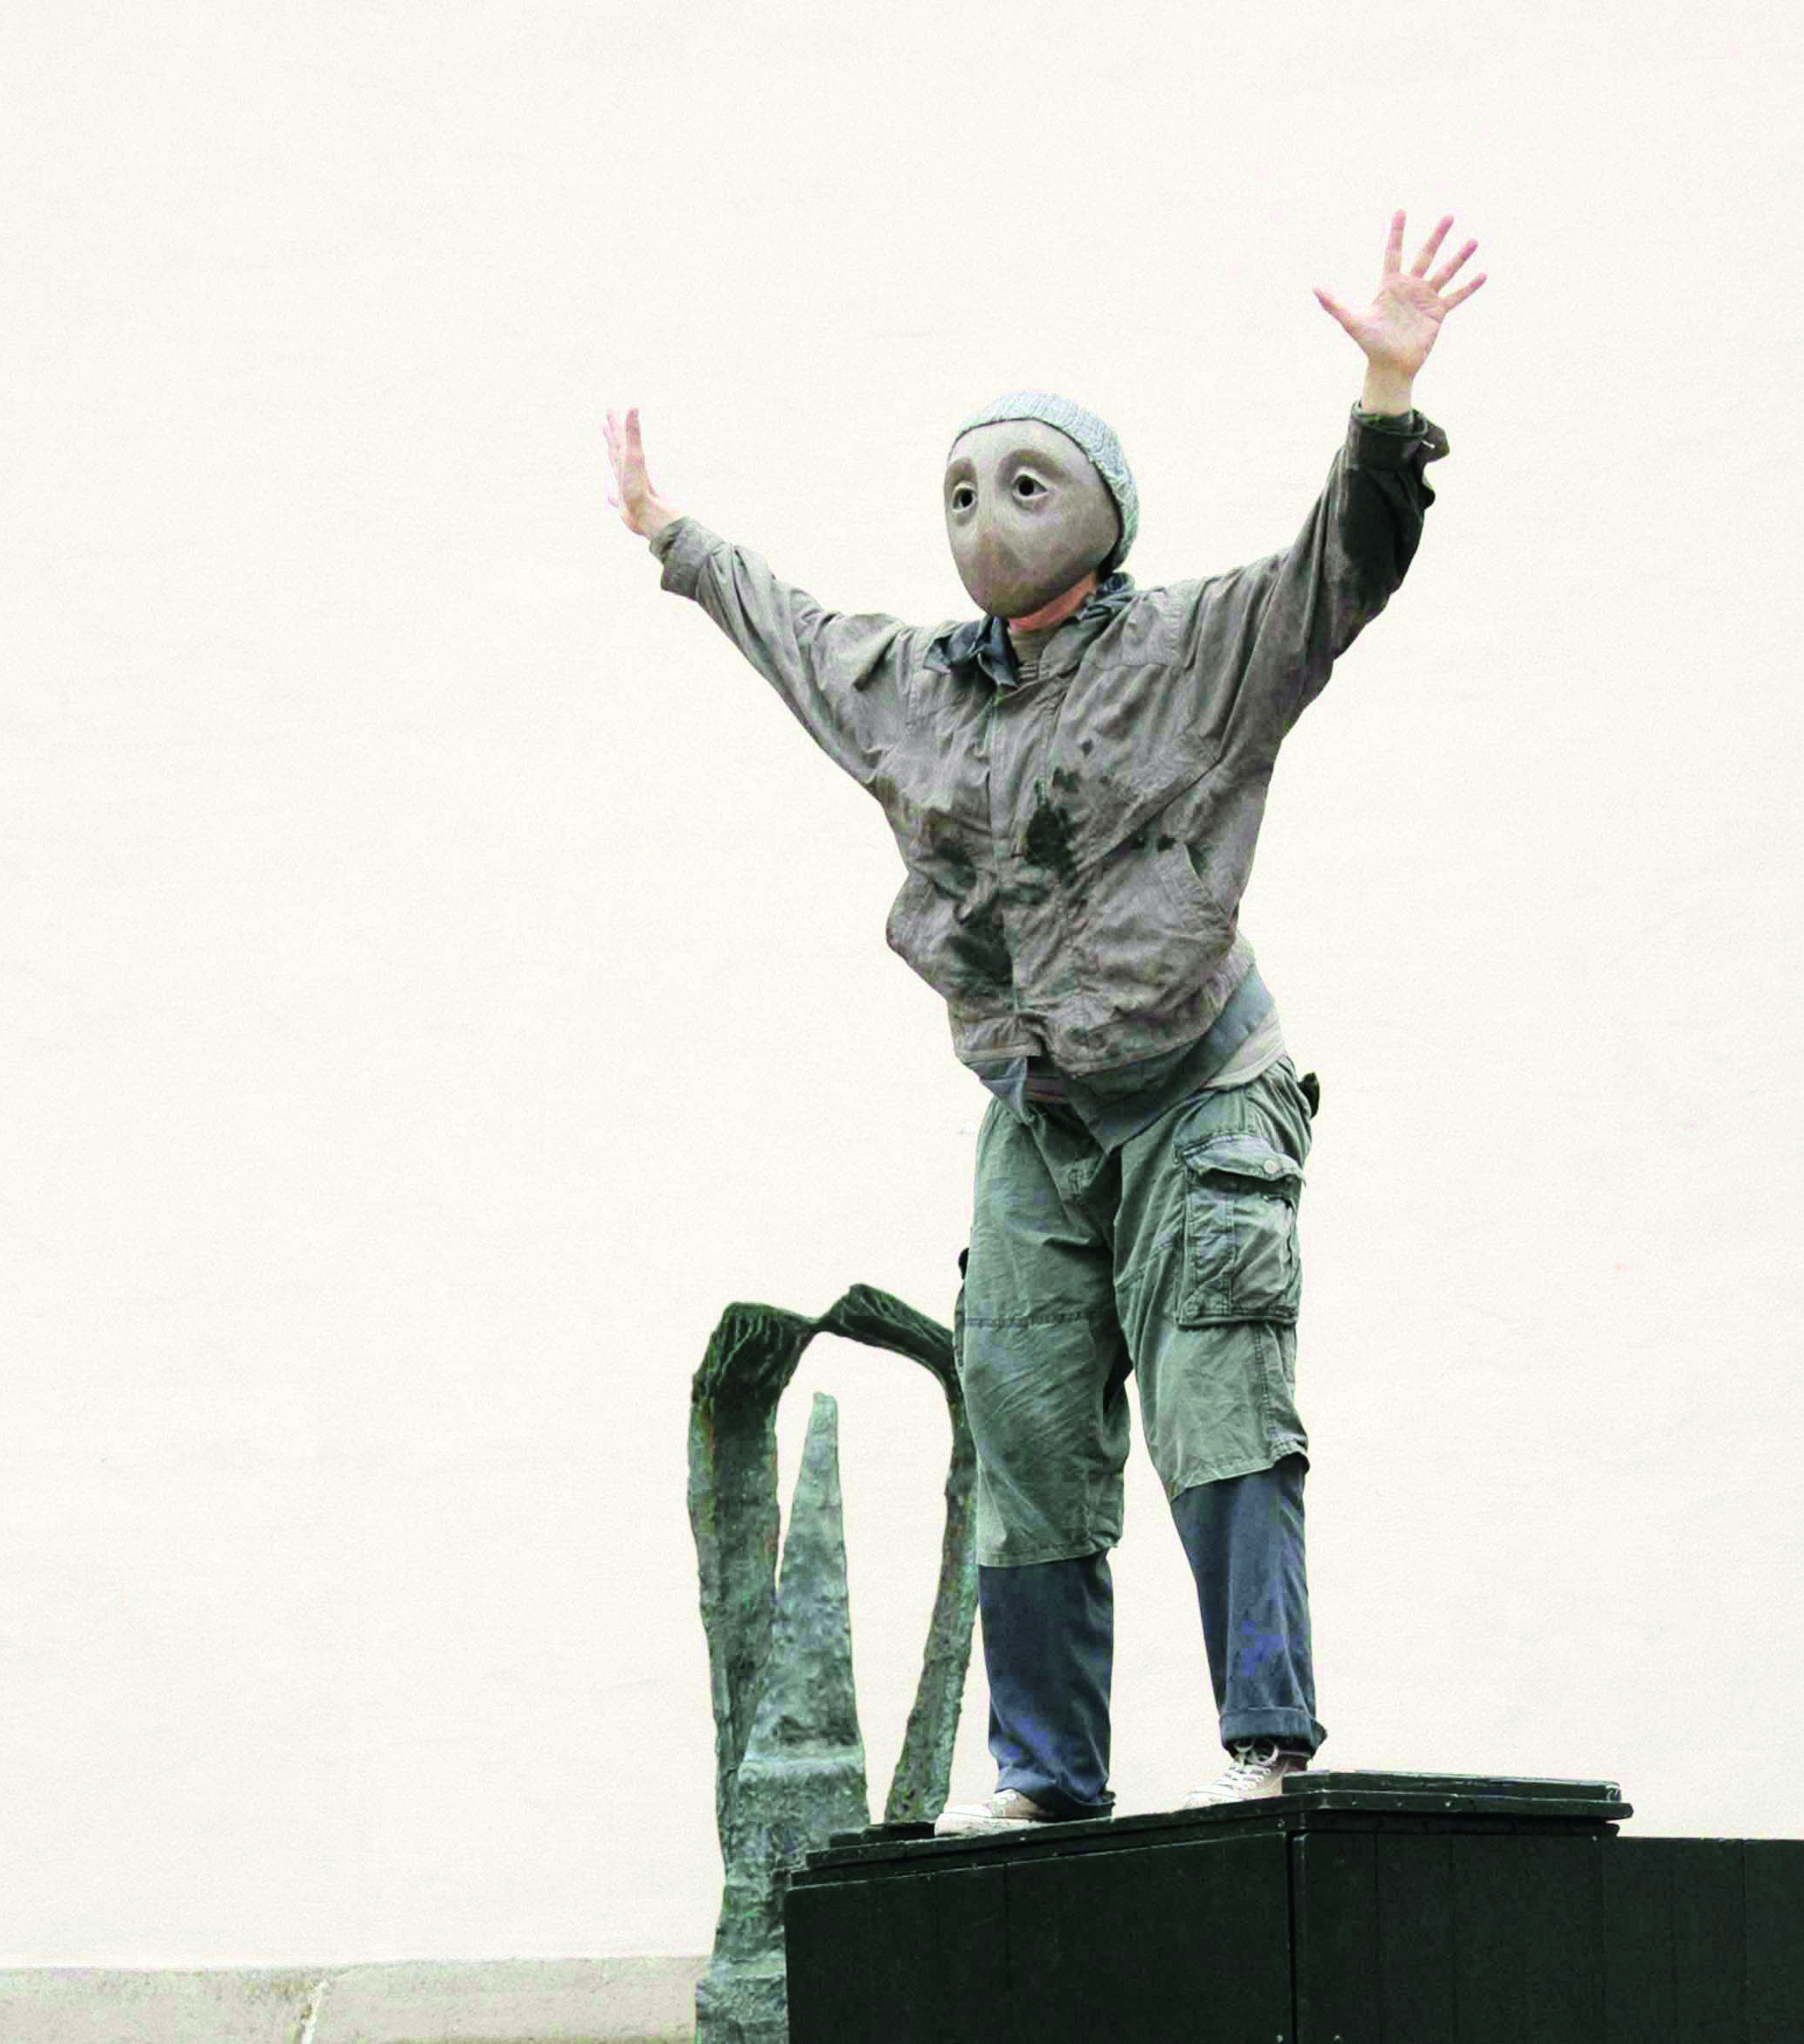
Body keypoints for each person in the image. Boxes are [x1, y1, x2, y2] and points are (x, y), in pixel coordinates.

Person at [603, 209, 1484, 1834]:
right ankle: (1048, 1775)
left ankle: (1266, 1739)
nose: (985, 515)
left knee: (1216, 1396)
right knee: (1021, 1419)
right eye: (960, 491)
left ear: (1102, 514)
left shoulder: (1191, 650)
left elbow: (1337, 571)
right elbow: (793, 637)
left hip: (1199, 1088)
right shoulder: (916, 689)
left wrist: (1383, 402)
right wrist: (673, 536)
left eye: (1024, 483)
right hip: (1035, 1108)